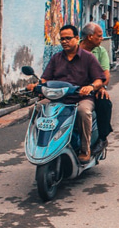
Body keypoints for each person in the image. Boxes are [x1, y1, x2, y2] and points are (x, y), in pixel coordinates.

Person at [27, 24, 105, 163]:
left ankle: (84, 150)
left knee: (83, 112)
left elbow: (100, 79)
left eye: (68, 38)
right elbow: (46, 78)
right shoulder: (56, 58)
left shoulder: (88, 58)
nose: (64, 41)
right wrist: (37, 86)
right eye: (62, 39)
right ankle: (42, 145)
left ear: (76, 38)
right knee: (36, 109)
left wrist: (90, 86)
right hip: (58, 98)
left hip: (81, 98)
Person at [79, 22, 113, 153]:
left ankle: (102, 138)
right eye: (99, 36)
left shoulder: (100, 51)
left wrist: (101, 86)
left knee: (104, 103)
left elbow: (106, 74)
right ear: (89, 37)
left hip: (94, 88)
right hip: (73, 87)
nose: (101, 38)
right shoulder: (73, 49)